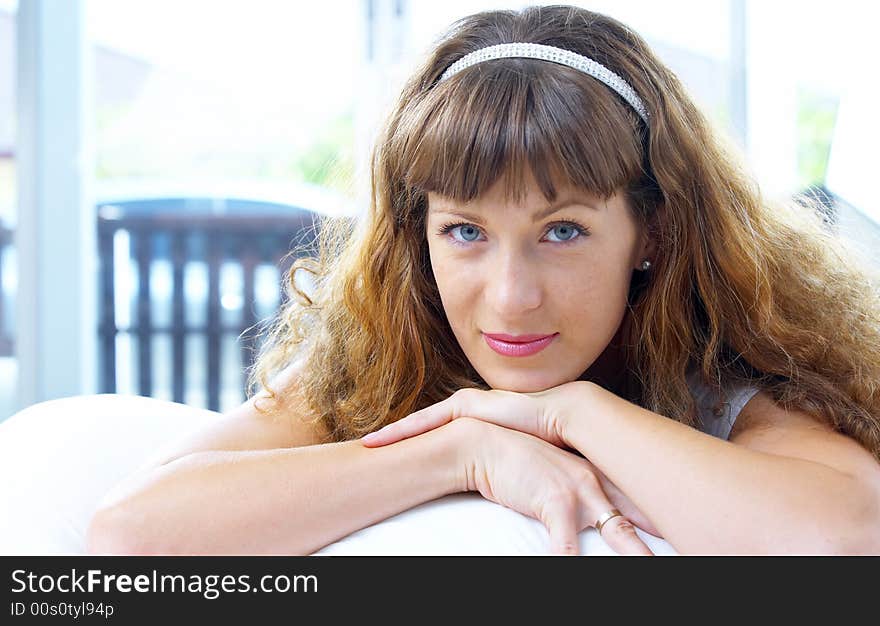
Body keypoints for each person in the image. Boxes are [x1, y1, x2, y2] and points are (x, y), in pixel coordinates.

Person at [85, 5, 880, 556]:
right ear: (418, 233)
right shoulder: (388, 348)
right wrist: (461, 451)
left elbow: (844, 539)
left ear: (652, 233)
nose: (509, 297)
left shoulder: (720, 362)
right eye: (465, 232)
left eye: (561, 231)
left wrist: (570, 413)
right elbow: (130, 534)